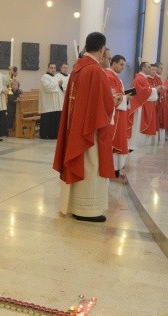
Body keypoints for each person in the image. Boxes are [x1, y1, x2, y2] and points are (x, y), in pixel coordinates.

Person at [53, 32, 118, 223]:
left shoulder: (78, 68)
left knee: (83, 162)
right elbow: (103, 103)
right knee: (91, 163)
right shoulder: (95, 70)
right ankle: (86, 209)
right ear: (101, 49)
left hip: (77, 125)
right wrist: (114, 100)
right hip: (90, 129)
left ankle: (74, 205)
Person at [104, 54, 128, 179]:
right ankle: (113, 169)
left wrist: (125, 97)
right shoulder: (109, 76)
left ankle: (117, 168)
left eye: (124, 65)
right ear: (113, 63)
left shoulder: (116, 77)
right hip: (115, 115)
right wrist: (126, 98)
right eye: (121, 64)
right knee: (115, 140)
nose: (123, 67)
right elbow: (113, 98)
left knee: (120, 139)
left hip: (120, 114)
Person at [127, 61, 158, 149]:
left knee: (138, 126)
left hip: (141, 105)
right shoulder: (139, 79)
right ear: (143, 68)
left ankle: (137, 145)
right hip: (138, 106)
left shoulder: (143, 78)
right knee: (136, 126)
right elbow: (141, 92)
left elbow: (145, 90)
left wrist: (152, 90)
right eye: (148, 67)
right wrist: (155, 90)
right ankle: (133, 145)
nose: (150, 69)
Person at [39, 63, 64, 139]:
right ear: (48, 68)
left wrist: (60, 85)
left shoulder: (56, 77)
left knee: (55, 119)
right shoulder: (45, 77)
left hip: (56, 103)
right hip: (48, 103)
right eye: (51, 68)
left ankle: (54, 134)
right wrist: (57, 84)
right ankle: (45, 134)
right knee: (48, 119)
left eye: (54, 68)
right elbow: (47, 88)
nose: (53, 69)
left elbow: (59, 89)